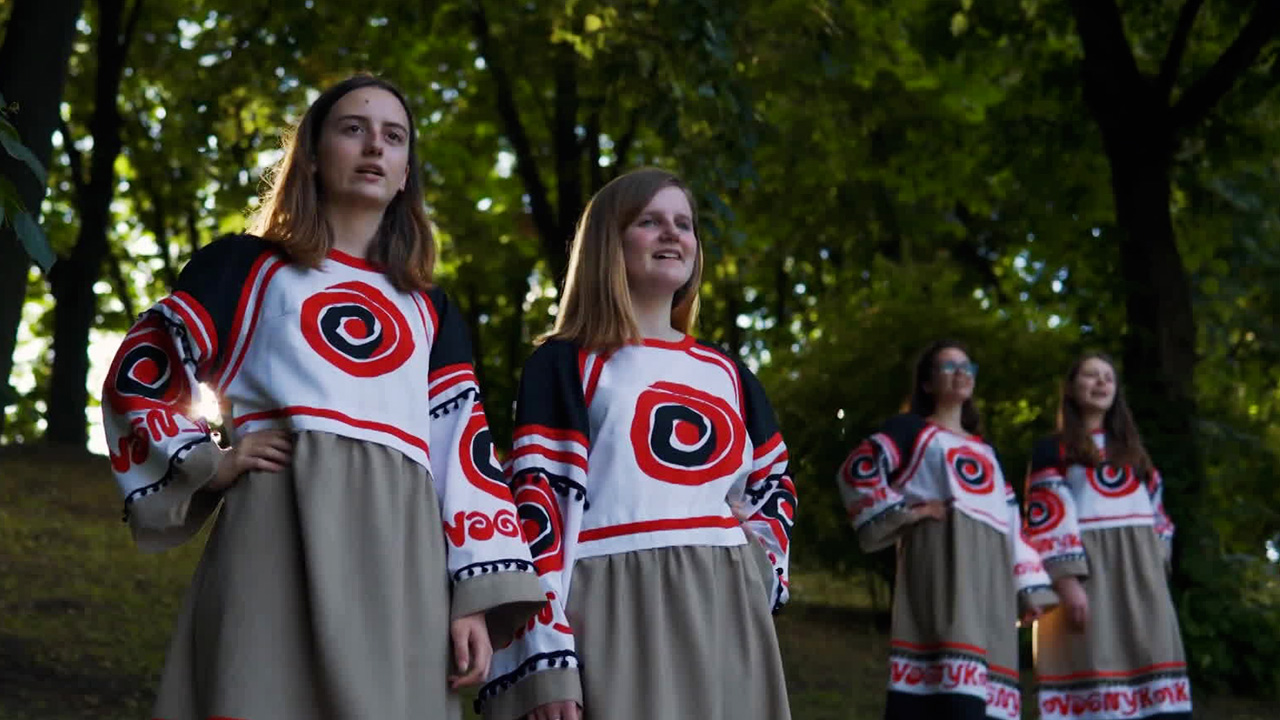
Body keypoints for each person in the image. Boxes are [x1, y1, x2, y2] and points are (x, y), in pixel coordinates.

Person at [101, 74, 545, 720]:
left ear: (404, 174)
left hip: (403, 556)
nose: (374, 147)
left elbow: (463, 457)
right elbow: (141, 371)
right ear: (310, 155)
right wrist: (210, 460)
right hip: (277, 532)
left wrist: (474, 595)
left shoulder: (431, 312)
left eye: (394, 138)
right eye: (352, 129)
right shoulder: (247, 269)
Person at [476, 168, 795, 720]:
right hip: (613, 604)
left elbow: (775, 484)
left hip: (726, 605)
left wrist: (757, 566)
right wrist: (546, 659)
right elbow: (538, 512)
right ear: (609, 242)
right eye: (649, 221)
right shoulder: (565, 364)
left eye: (684, 224)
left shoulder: (729, 373)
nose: (673, 234)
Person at [836, 340, 1056, 720]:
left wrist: (1028, 588)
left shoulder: (985, 451)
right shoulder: (912, 431)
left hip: (990, 581)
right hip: (940, 564)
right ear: (926, 383)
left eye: (967, 367)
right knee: (946, 692)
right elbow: (857, 469)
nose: (961, 373)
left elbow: (1011, 523)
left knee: (987, 696)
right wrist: (908, 512)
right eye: (949, 367)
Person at [1024, 353, 1191, 718]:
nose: (1101, 383)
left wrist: (1154, 567)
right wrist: (1066, 581)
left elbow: (1160, 520)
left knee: (1154, 675)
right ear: (1070, 387)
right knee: (1094, 669)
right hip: (1090, 579)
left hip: (1142, 581)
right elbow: (1046, 517)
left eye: (1108, 378)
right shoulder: (1053, 450)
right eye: (1090, 375)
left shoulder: (1135, 455)